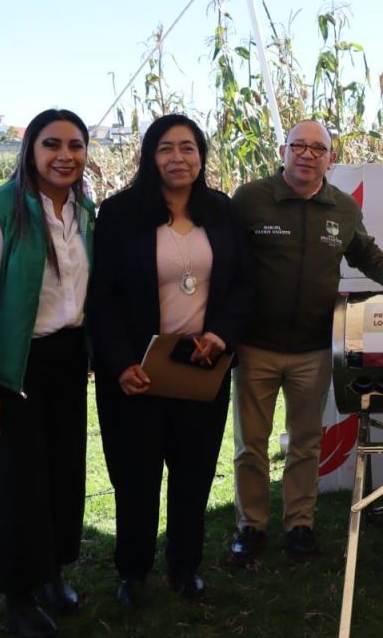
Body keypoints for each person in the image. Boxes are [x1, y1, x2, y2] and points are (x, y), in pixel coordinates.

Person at [230, 119, 383, 563]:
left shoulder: (342, 208)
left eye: (318, 149)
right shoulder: (250, 199)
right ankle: (251, 527)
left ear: (331, 159)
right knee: (251, 445)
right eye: (299, 146)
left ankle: (299, 525)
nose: (307, 155)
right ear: (283, 151)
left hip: (313, 348)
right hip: (255, 346)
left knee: (305, 442)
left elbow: (364, 251)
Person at [87, 114, 253, 606]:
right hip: (138, 370)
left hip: (201, 365)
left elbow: (243, 283)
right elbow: (102, 298)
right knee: (135, 476)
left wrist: (222, 335)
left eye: (187, 148)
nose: (177, 158)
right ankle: (132, 570)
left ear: (201, 156)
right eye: (165, 148)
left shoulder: (221, 211)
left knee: (193, 473)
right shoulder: (120, 213)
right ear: (149, 156)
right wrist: (120, 363)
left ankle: (185, 565)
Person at [0, 109, 95, 637]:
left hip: (68, 359)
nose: (65, 155)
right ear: (30, 151)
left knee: (63, 472)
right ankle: (18, 595)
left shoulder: (84, 210)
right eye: (51, 144)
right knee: (18, 484)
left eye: (75, 145)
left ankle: (52, 572)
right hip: (16, 367)